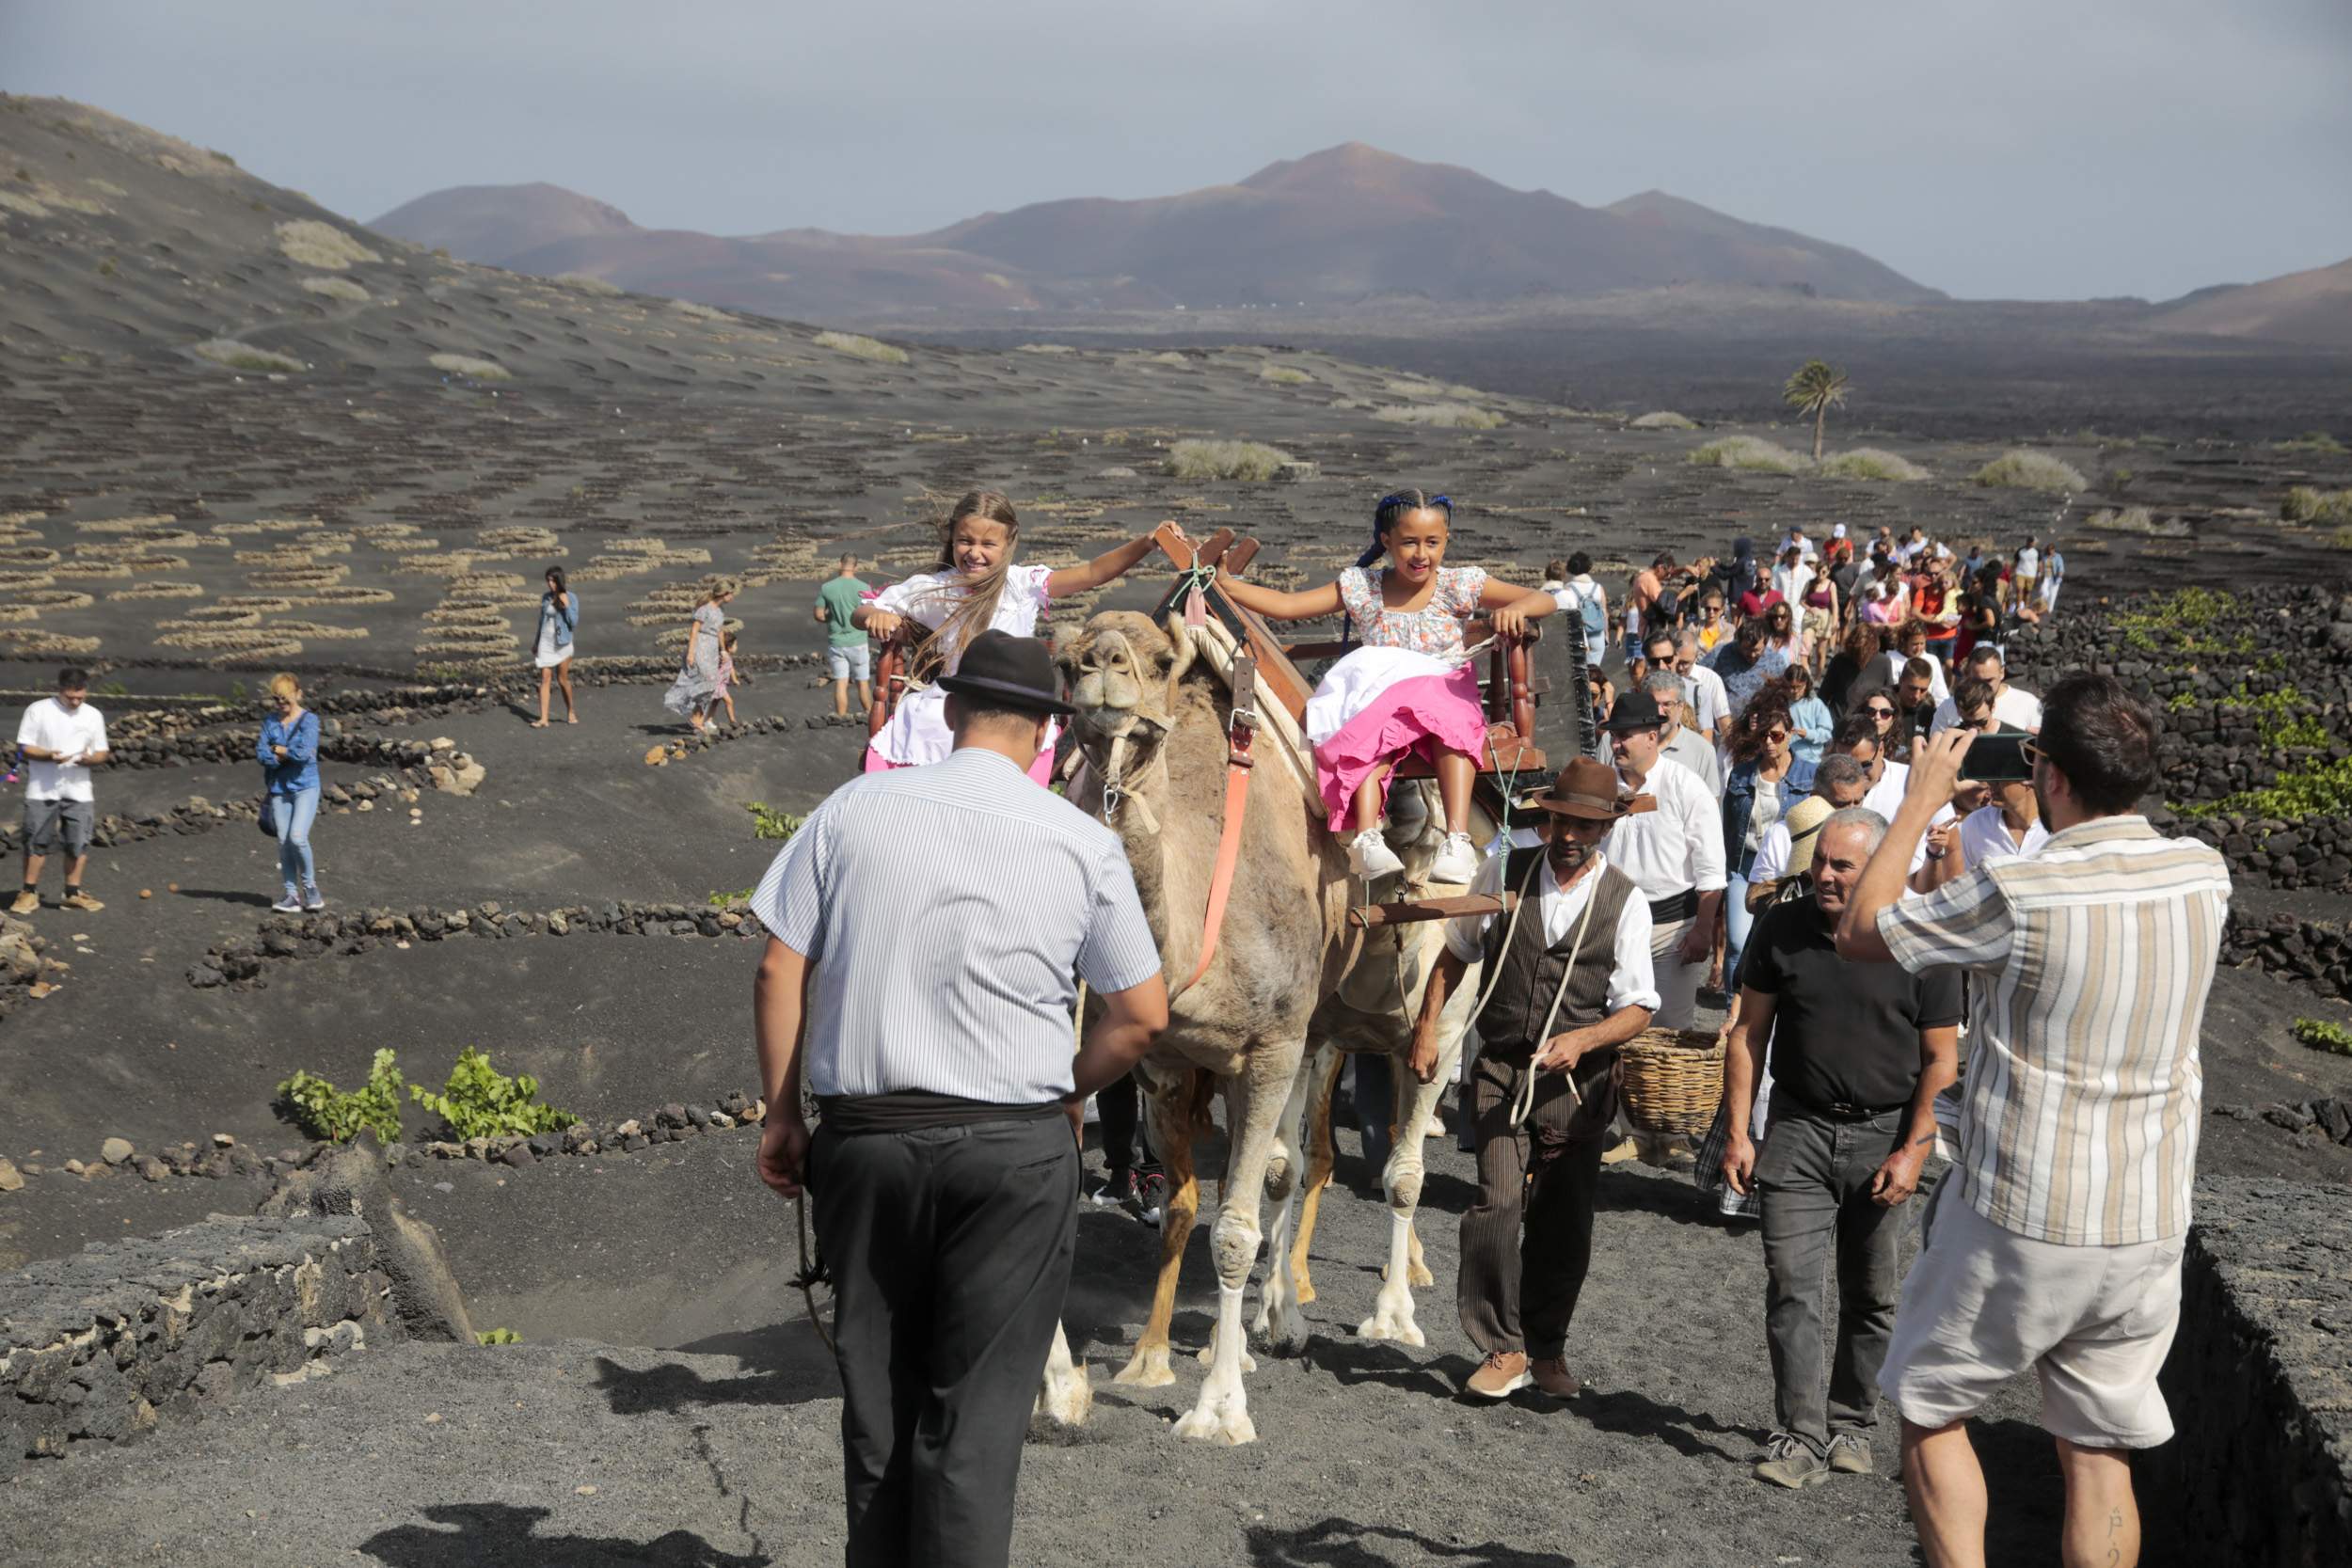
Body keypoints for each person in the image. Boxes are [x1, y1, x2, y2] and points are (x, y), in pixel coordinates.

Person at [750, 629, 1169, 1568]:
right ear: (1045, 734)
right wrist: (1061, 1090)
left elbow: (780, 963)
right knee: (973, 1424)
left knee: (878, 1405)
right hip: (1013, 1150)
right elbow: (1141, 1014)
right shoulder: (1078, 839)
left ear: (948, 712)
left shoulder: (855, 805)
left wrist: (782, 1115)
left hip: (866, 1139)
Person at [1834, 677, 2229, 1568]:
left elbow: (1862, 927)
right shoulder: (2205, 872)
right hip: (2146, 1216)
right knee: (2098, 1448)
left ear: (2047, 773)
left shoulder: (2023, 891)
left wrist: (1920, 801)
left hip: (2023, 1211)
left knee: (1933, 1408)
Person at [1723, 809, 1962, 1488]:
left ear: (1879, 864)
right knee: (1792, 1286)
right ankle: (1799, 1432)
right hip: (1796, 1128)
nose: (1824, 875)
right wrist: (1741, 1133)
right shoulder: (1783, 928)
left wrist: (1914, 1150)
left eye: (1842, 864)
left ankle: (1852, 1419)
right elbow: (1747, 1034)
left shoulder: (1923, 942)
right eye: (1820, 860)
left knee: (1872, 1290)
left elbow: (1941, 1059)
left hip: (1886, 1132)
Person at [1409, 758, 1659, 1401]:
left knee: (1563, 1221)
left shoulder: (1625, 901)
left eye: (1583, 823)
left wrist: (1584, 1039)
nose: (1568, 833)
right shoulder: (1507, 870)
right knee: (1497, 1203)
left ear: (1604, 827)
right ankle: (1504, 1345)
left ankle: (1547, 1348)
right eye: (1559, 819)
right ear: (1545, 818)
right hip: (1499, 1067)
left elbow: (1639, 1007)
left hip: (1576, 1088)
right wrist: (1427, 1027)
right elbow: (1456, 951)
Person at [1217, 489, 1550, 884]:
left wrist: (1517, 608)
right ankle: (1368, 838)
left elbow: (1544, 598)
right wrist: (1228, 585)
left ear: (1447, 542)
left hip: (1440, 684)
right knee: (1370, 732)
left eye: (1432, 543)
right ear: (1387, 541)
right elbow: (1289, 605)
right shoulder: (1363, 586)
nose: (1420, 554)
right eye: (1409, 542)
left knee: (1452, 723)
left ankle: (1457, 840)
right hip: (1384, 693)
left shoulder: (1457, 584)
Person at [858, 491, 1159, 784]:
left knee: (1032, 731)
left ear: (1008, 543)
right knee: (932, 727)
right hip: (957, 698)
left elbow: (1093, 572)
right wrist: (878, 615)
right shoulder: (936, 588)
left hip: (1015, 699)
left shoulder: (1022, 584)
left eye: (988, 543)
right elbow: (865, 609)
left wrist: (1146, 543)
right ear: (953, 539)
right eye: (965, 541)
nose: (975, 553)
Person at [1599, 689, 1724, 1033]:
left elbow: (1711, 870)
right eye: (1613, 736)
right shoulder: (1601, 787)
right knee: (1611, 1025)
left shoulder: (1686, 787)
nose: (1616, 745)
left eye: (1624, 736)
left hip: (1671, 929)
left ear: (1652, 737)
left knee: (1668, 1029)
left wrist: (1701, 930)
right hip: (1613, 923)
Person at [1721, 697, 1816, 988]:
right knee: (1738, 941)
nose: (1769, 742)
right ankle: (1733, 1010)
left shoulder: (1810, 774)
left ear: (1790, 734)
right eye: (1763, 736)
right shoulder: (1741, 774)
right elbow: (1728, 825)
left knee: (1784, 939)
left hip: (1789, 867)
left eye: (1776, 735)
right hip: (1745, 864)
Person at [12, 667, 109, 915]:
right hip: (42, 788)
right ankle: (28, 892)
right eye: (70, 697)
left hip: (79, 790)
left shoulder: (93, 715)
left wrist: (90, 760)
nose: (76, 702)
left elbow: (102, 751)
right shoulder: (38, 710)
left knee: (78, 841)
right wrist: (48, 755)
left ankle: (73, 893)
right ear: (60, 690)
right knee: (35, 840)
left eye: (80, 697)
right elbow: (24, 747)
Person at [1745, 753, 1871, 912]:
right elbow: (1752, 900)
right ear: (1815, 797)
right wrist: (1796, 884)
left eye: (1858, 801)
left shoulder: (1872, 833)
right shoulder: (1783, 834)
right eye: (1842, 804)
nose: (1852, 812)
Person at [256, 673, 323, 913]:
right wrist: (282, 753)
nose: (281, 704)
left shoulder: (309, 720)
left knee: (297, 837)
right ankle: (291, 896)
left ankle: (311, 889)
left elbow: (304, 753)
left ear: (298, 694)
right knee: (284, 842)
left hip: (305, 786)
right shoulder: (270, 722)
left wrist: (278, 750)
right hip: (279, 789)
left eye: (285, 699)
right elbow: (261, 754)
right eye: (277, 699)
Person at [661, 577, 736, 732]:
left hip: (712, 649)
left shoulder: (721, 611)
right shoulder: (705, 609)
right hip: (700, 647)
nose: (733, 597)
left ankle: (696, 719)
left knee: (712, 684)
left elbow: (720, 631)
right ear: (725, 593)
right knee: (707, 681)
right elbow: (694, 630)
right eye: (731, 593)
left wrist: (723, 650)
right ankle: (693, 714)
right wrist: (690, 652)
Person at [1930, 645, 2042, 736]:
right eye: (1976, 680)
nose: (1982, 686)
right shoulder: (1948, 707)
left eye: (1989, 680)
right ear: (1968, 674)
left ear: (2002, 672)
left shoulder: (2029, 704)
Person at [814, 554, 874, 721]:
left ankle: (841, 716)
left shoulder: (827, 587)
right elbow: (870, 614)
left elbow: (818, 615)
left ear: (840, 564)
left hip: (837, 642)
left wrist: (831, 619)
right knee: (863, 682)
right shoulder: (863, 588)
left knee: (841, 681)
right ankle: (870, 712)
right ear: (856, 566)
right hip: (859, 641)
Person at [1645, 669, 1721, 797]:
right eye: (1653, 703)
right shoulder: (1619, 742)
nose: (1659, 711)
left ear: (1681, 707)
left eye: (1667, 704)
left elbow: (1710, 806)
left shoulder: (1703, 751)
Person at [1704, 618, 1791, 722]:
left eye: (1756, 650)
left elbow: (1783, 695)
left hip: (1759, 726)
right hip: (1725, 725)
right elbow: (1700, 675)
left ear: (1765, 643)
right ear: (1738, 642)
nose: (1752, 655)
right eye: (1746, 649)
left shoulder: (1776, 662)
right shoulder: (1721, 653)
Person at [531, 565, 579, 727]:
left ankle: (570, 710)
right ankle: (544, 719)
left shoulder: (571, 597)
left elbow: (574, 622)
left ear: (559, 580)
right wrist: (536, 642)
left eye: (553, 580)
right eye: (548, 580)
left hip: (562, 642)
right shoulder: (545, 598)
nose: (550, 584)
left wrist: (566, 606)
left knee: (562, 679)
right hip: (546, 641)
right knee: (545, 678)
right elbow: (540, 622)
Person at [1545, 552, 1611, 669]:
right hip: (1597, 632)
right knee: (1595, 669)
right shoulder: (1598, 587)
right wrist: (1606, 634)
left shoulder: (1568, 588)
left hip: (1578, 633)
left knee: (1579, 669)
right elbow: (1604, 612)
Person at [1668, 631, 1731, 747]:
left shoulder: (1711, 679)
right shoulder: (1664, 678)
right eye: (1677, 662)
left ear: (1696, 657)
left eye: (1686, 663)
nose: (1680, 668)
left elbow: (1723, 721)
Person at [1822, 623, 1885, 717]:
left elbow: (1888, 698)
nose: (1861, 656)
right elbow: (1824, 694)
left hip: (1868, 722)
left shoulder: (1883, 662)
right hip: (1839, 721)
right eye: (1858, 652)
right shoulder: (1839, 660)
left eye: (1865, 653)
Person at [1781, 664, 1835, 768]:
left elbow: (1827, 734)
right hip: (1785, 758)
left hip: (1810, 759)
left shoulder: (1816, 704)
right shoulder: (1780, 703)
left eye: (1799, 687)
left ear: (1806, 684)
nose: (1795, 691)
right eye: (1791, 687)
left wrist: (1808, 734)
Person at [710, 629, 744, 726]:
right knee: (729, 701)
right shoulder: (723, 658)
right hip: (717, 685)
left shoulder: (728, 657)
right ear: (729, 647)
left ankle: (708, 720)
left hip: (722, 685)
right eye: (735, 645)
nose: (737, 647)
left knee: (714, 703)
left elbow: (731, 668)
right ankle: (733, 721)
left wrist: (734, 679)